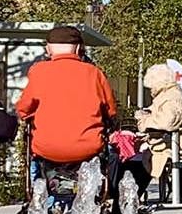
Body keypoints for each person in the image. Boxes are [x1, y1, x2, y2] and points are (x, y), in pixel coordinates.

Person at [14, 25, 119, 168]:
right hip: (88, 148)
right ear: (77, 49)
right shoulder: (94, 73)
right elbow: (111, 110)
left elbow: (23, 110)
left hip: (46, 148)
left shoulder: (39, 72)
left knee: (36, 160)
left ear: (48, 49)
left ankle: (39, 184)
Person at [137, 62, 182, 200]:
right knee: (141, 156)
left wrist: (144, 122)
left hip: (178, 146)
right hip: (178, 143)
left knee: (139, 160)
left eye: (151, 86)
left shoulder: (171, 98)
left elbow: (167, 122)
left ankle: (133, 197)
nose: (150, 89)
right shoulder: (170, 94)